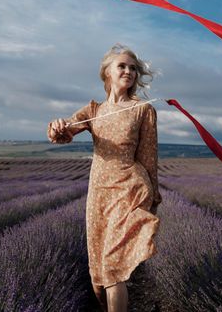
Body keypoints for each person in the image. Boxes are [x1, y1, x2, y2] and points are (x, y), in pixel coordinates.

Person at [47, 43, 162, 312]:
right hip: (99, 195)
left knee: (112, 267)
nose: (129, 71)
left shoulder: (143, 110)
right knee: (98, 275)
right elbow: (63, 135)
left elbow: (149, 158)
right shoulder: (94, 110)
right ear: (107, 73)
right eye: (122, 66)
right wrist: (55, 127)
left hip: (129, 191)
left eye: (133, 68)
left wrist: (153, 198)